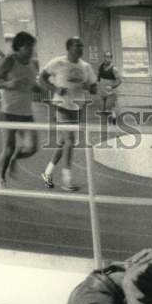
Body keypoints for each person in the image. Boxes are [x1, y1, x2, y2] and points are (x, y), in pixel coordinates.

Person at [39, 36, 97, 192]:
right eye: (77, 45)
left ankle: (47, 173)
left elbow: (94, 88)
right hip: (61, 107)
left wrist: (89, 87)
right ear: (69, 47)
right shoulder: (58, 63)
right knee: (70, 141)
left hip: (77, 108)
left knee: (64, 143)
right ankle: (67, 180)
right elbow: (41, 79)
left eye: (82, 46)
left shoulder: (86, 67)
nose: (80, 48)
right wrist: (55, 89)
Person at [0, 31, 41, 189]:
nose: (31, 51)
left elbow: (33, 85)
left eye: (32, 47)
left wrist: (45, 91)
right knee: (9, 147)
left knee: (32, 148)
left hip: (26, 113)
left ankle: (15, 159)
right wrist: (7, 84)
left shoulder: (33, 63)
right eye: (28, 47)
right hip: (8, 112)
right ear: (19, 48)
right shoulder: (9, 61)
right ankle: (1, 178)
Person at [97, 51, 122, 124]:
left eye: (108, 57)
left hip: (111, 90)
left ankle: (113, 120)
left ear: (111, 59)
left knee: (109, 107)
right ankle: (110, 119)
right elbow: (98, 77)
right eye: (105, 57)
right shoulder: (100, 67)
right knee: (103, 108)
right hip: (102, 89)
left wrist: (112, 86)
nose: (106, 59)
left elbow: (120, 80)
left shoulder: (114, 69)